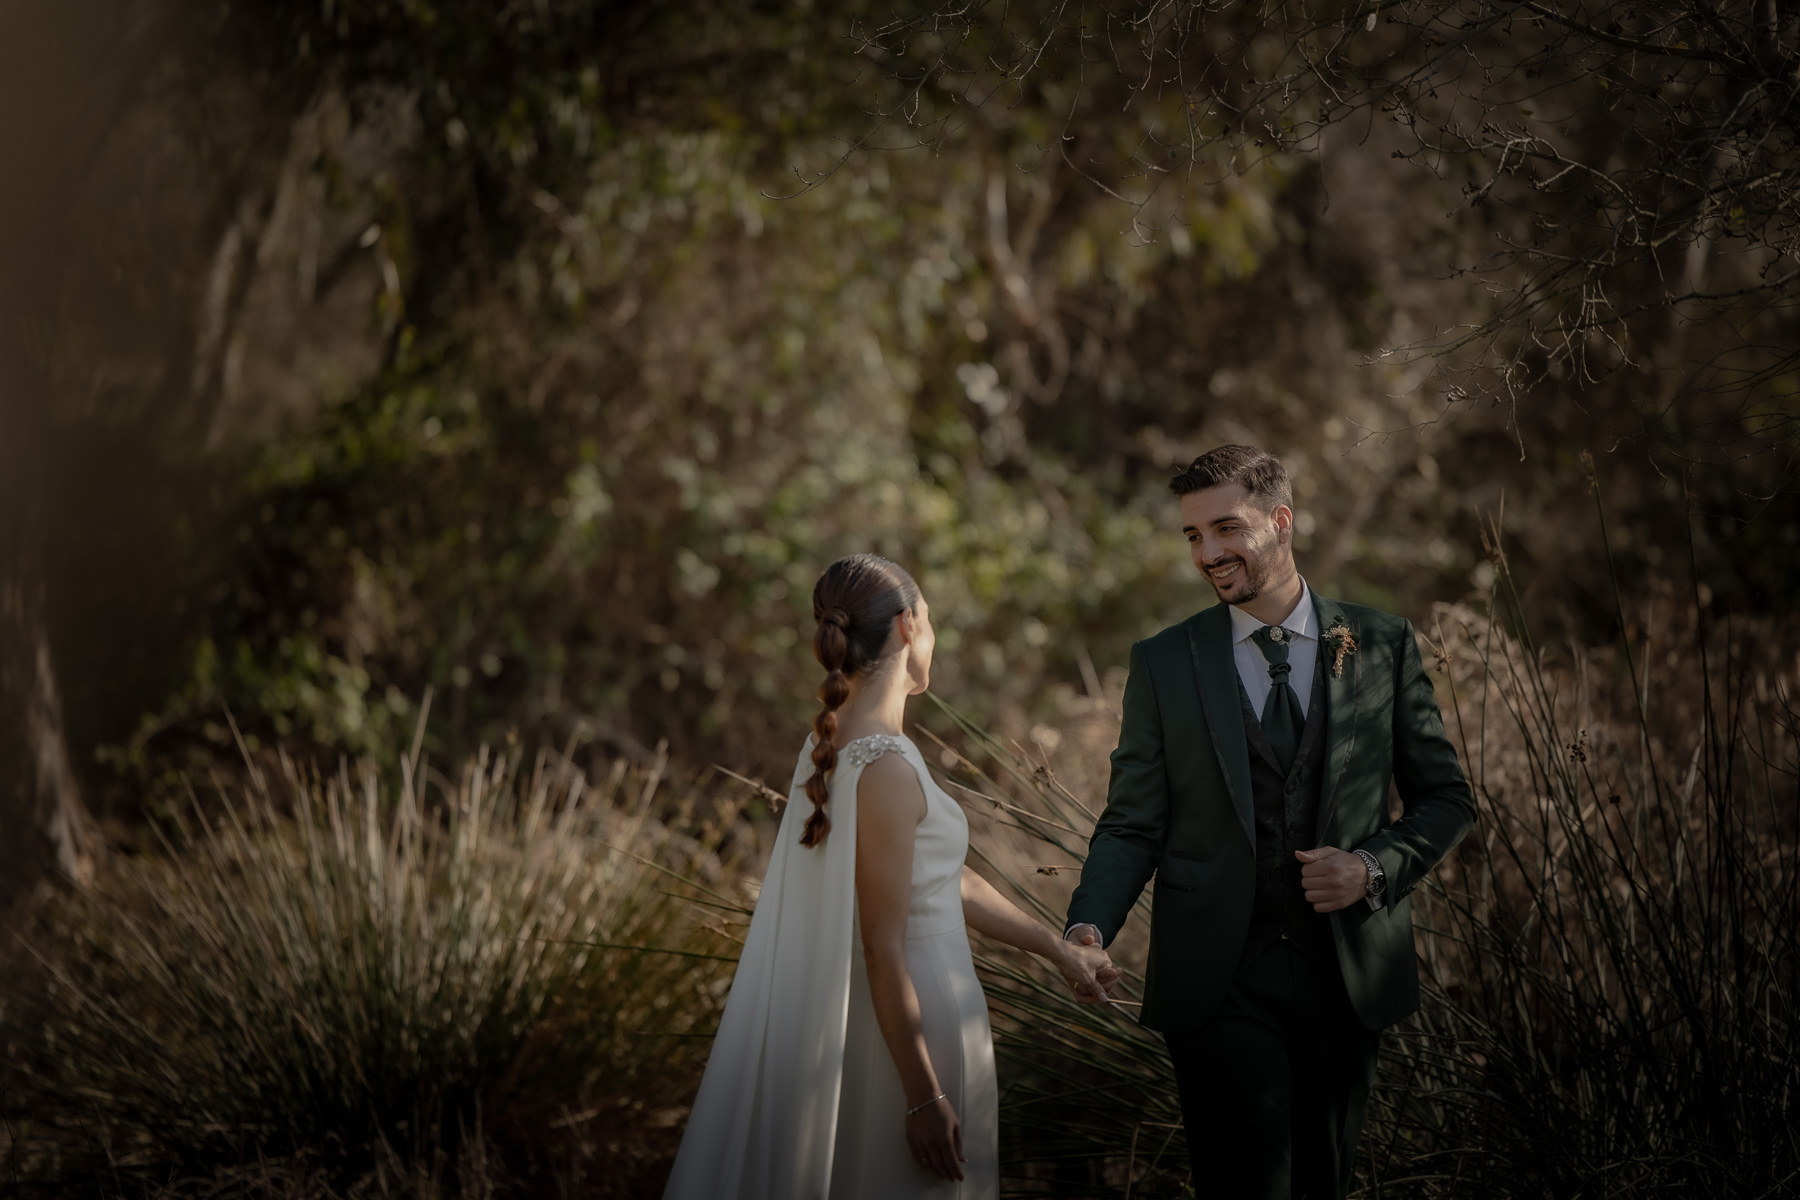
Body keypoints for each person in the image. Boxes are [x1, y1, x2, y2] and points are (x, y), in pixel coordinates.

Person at [1064, 445, 1475, 1200]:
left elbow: (1447, 797)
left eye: (1226, 529)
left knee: (1325, 1183)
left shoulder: (1379, 643)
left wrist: (1373, 868)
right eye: (1193, 536)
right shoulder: (1164, 662)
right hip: (1219, 981)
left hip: (1346, 974)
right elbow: (1131, 825)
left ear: (1280, 522)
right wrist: (1088, 925)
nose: (1208, 553)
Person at [664, 553, 1117, 1200]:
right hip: (913, 1037)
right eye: (931, 620)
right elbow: (883, 946)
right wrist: (923, 1096)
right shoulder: (886, 767)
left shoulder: (836, 744)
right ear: (908, 626)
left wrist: (1057, 950)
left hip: (886, 1025)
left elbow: (943, 881)